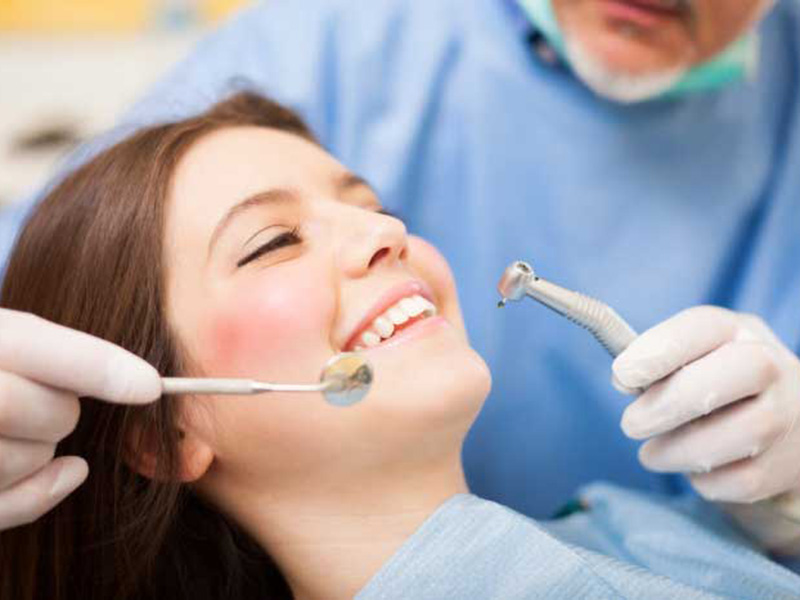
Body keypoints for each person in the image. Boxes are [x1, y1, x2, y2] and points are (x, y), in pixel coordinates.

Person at [2, 0, 800, 553]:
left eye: (377, 202)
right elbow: (61, 267)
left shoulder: (647, 551)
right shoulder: (341, 39)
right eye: (276, 239)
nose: (387, 232)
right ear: (162, 432)